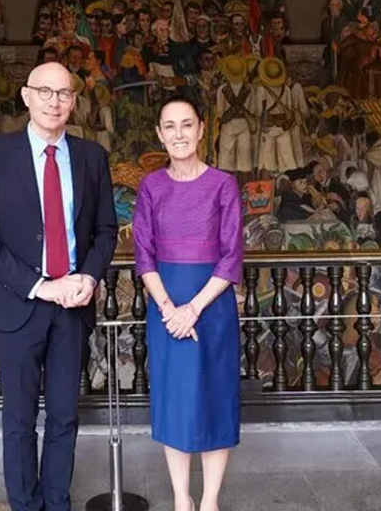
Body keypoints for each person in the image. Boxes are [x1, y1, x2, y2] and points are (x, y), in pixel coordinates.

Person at [0, 61, 119, 511]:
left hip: (73, 306)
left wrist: (88, 276)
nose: (55, 101)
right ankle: (25, 504)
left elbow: (106, 230)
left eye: (64, 93)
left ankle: (57, 502)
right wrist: (38, 285)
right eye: (45, 92)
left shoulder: (92, 157)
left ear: (74, 101)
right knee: (19, 418)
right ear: (26, 96)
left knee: (64, 415)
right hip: (20, 304)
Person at [132, 94, 244, 511]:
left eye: (186, 124)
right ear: (160, 135)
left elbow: (231, 256)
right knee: (175, 400)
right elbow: (144, 256)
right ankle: (182, 498)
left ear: (201, 129)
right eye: (170, 126)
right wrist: (169, 308)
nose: (179, 134)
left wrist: (193, 309)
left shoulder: (223, 184)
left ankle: (210, 500)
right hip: (166, 306)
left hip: (211, 306)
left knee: (216, 397)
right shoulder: (151, 187)